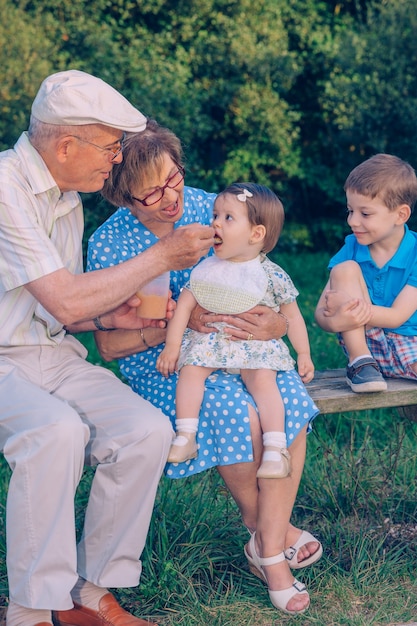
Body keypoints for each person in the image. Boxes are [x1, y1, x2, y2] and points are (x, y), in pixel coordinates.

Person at [0, 70, 215, 626]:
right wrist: (166, 255)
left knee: (145, 430)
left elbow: (63, 310)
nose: (118, 159)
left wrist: (108, 317)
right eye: (110, 145)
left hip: (52, 353)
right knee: (56, 431)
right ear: (66, 145)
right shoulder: (5, 187)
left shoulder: (67, 197)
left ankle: (90, 592)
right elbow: (66, 301)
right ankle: (30, 609)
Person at [87, 122, 322, 616]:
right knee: (238, 414)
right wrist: (172, 327)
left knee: (289, 405)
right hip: (165, 362)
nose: (170, 198)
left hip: (243, 351)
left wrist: (276, 322)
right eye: (151, 192)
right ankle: (273, 550)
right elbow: (108, 347)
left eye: (173, 178)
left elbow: (261, 267)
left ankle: (266, 541)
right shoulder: (110, 244)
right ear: (120, 194)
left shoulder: (209, 206)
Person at [156, 182, 315, 480]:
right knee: (191, 370)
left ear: (256, 234)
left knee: (263, 381)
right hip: (211, 344)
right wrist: (172, 347)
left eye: (228, 218)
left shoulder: (270, 274)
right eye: (215, 215)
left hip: (253, 346)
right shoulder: (207, 269)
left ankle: (275, 449)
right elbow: (184, 308)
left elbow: (293, 315)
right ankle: (186, 435)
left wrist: (303, 353)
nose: (215, 222)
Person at [315, 153, 417, 393]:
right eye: (350, 211)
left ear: (400, 215)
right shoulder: (351, 248)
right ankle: (360, 364)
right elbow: (321, 313)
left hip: (410, 345)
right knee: (345, 269)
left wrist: (348, 307)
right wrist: (335, 319)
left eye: (365, 213)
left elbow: (396, 317)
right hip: (365, 345)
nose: (352, 221)